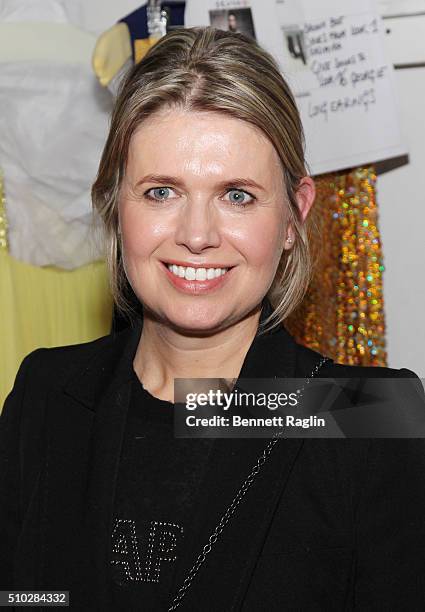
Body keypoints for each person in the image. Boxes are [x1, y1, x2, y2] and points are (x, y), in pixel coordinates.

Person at [1, 25, 425, 612]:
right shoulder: (45, 395)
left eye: (238, 196)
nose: (196, 236)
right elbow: (26, 595)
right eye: (160, 193)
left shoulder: (370, 420)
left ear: (293, 218)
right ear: (114, 201)